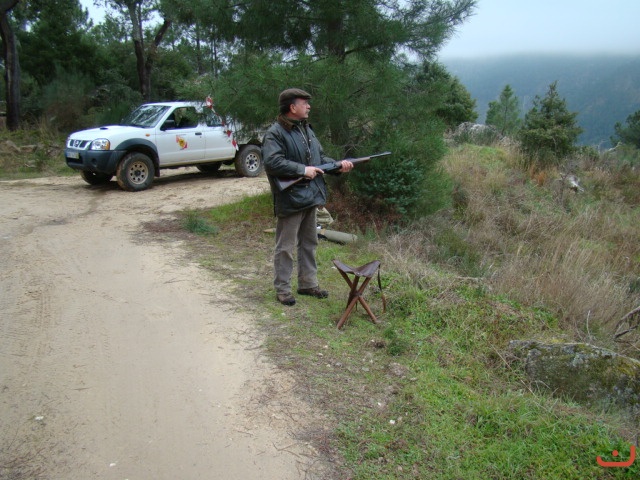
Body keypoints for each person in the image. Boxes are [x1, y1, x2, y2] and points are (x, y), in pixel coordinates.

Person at [262, 88, 353, 306]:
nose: (309, 106)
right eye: (304, 103)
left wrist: (338, 166)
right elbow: (272, 162)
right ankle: (283, 289)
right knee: (285, 247)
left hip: (310, 195)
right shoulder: (275, 133)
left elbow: (319, 159)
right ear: (292, 107)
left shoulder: (306, 130)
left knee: (309, 242)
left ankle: (307, 284)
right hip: (291, 197)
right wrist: (303, 170)